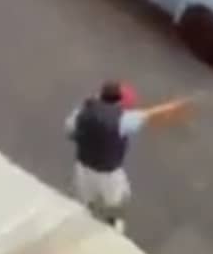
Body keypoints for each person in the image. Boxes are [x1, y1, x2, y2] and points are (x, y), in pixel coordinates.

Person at [65, 82, 191, 233]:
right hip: (108, 173)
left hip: (83, 167)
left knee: (83, 197)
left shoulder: (81, 112)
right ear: (119, 101)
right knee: (117, 199)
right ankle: (113, 225)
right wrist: (175, 106)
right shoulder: (123, 121)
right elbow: (149, 115)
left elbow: (69, 132)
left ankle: (83, 220)